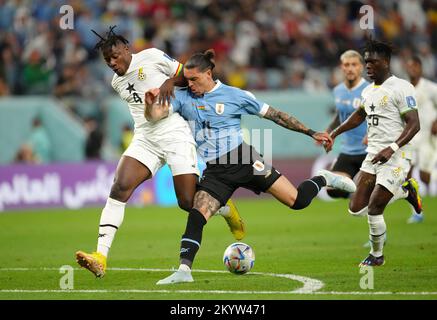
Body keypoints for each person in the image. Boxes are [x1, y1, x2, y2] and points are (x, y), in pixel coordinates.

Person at [144, 49, 357, 284]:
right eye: (187, 79)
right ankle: (184, 270)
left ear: (208, 73)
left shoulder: (236, 95)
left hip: (245, 160)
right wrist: (149, 104)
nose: (190, 84)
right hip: (216, 171)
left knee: (297, 202)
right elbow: (155, 116)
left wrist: (310, 132)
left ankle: (324, 179)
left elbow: (276, 115)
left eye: (194, 79)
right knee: (197, 214)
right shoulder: (183, 96)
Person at [75, 27, 244, 278]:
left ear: (126, 49)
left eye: (114, 56)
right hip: (145, 138)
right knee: (119, 187)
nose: (111, 63)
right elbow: (145, 110)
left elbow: (187, 74)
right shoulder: (116, 82)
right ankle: (100, 256)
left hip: (175, 132)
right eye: (106, 60)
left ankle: (225, 208)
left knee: (188, 202)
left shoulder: (152, 56)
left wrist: (168, 82)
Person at [325, 39, 422, 267]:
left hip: (397, 156)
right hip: (373, 155)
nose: (368, 66)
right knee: (356, 208)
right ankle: (406, 192)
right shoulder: (368, 91)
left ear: (385, 62)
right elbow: (358, 116)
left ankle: (376, 255)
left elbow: (414, 124)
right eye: (366, 62)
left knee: (376, 207)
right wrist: (335, 133)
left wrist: (393, 148)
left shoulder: (402, 87)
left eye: (372, 62)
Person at [325, 50, 369, 199]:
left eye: (354, 64)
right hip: (348, 151)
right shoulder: (338, 90)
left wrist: (371, 134)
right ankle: (357, 193)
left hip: (369, 151)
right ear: (342, 68)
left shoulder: (369, 90)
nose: (350, 68)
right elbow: (340, 115)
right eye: (346, 65)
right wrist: (329, 132)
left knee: (370, 194)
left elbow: (381, 117)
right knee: (332, 189)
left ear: (361, 67)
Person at [405, 55, 437, 223]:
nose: (412, 69)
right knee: (407, 173)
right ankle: (416, 212)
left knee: (425, 177)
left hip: (427, 138)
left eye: (415, 66)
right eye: (409, 67)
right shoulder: (404, 90)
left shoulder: (431, 88)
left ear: (420, 68)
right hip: (411, 138)